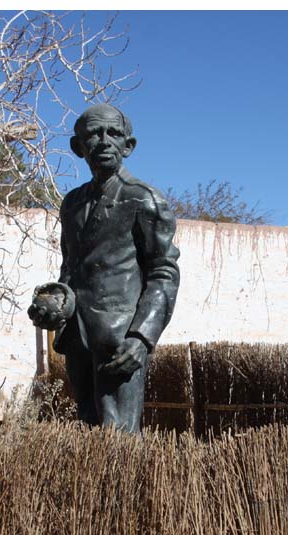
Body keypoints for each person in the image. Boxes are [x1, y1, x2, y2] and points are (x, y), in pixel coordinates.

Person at [29, 103, 180, 432]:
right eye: (93, 134)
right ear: (77, 147)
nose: (103, 141)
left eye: (113, 133)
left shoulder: (143, 199)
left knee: (119, 437)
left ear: (128, 145)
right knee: (85, 430)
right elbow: (70, 269)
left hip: (120, 340)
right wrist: (54, 303)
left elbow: (163, 273)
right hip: (77, 338)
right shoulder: (72, 203)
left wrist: (142, 338)